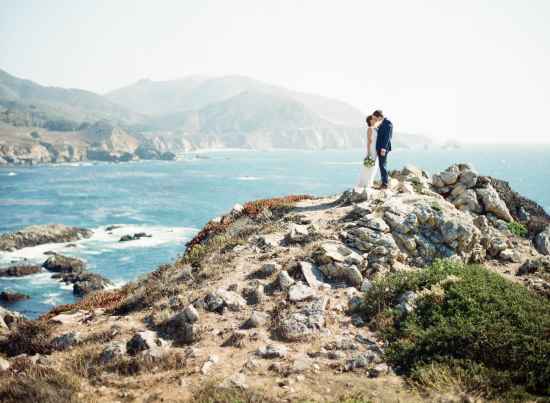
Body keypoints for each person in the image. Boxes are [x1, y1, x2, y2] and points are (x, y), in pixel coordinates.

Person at [357, 115, 380, 189]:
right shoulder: (370, 129)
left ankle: (370, 183)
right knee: (369, 166)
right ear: (370, 121)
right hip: (372, 150)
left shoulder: (376, 128)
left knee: (374, 167)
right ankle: (365, 184)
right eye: (374, 119)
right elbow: (369, 141)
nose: (375, 119)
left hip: (376, 150)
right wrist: (369, 152)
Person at [372, 110, 393, 189]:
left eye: (376, 118)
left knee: (383, 165)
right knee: (381, 165)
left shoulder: (388, 123)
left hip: (383, 148)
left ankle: (385, 184)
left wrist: (383, 149)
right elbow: (381, 134)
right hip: (379, 147)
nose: (376, 120)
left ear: (380, 116)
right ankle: (383, 182)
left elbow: (387, 138)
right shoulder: (381, 123)